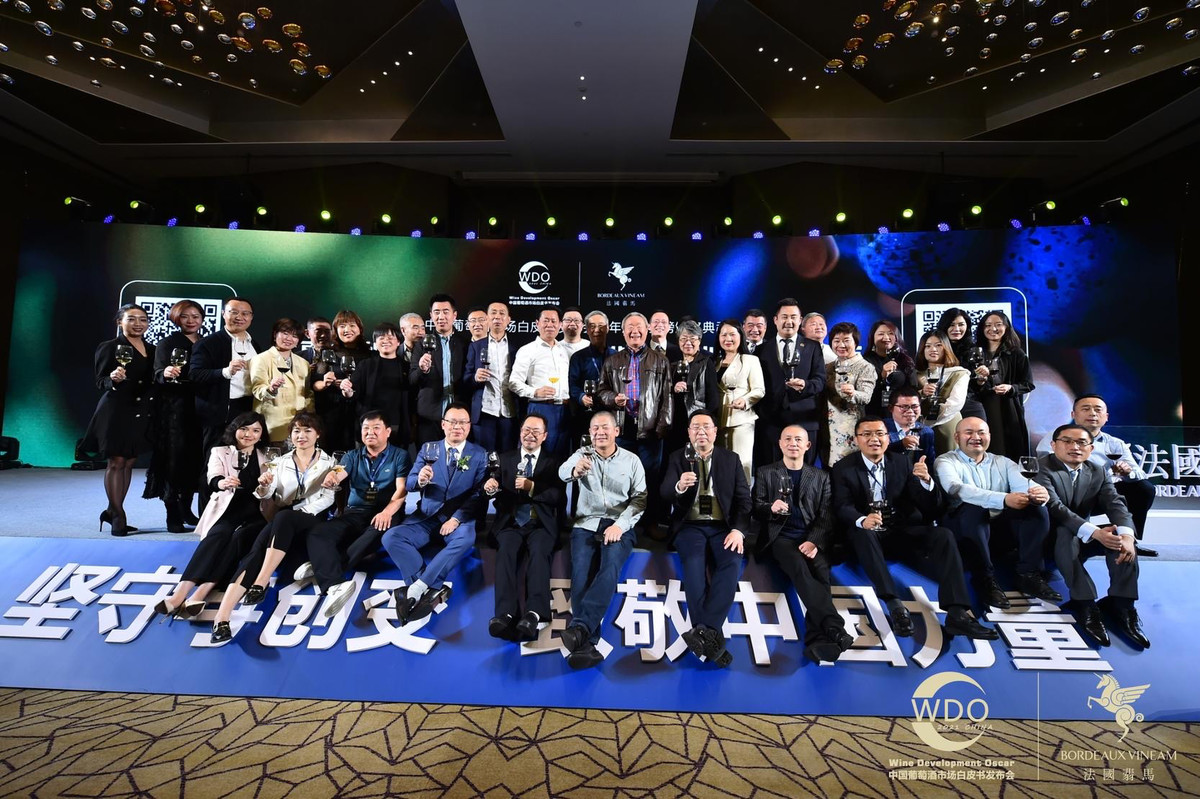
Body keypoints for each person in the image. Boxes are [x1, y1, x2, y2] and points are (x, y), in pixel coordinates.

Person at [831, 417, 998, 640]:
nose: (874, 439)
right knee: (862, 533)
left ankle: (957, 613)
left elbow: (931, 507)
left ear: (888, 438)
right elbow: (842, 506)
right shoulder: (843, 468)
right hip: (866, 534)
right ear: (856, 440)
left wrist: (926, 482)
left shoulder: (902, 463)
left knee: (943, 535)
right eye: (867, 434)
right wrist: (862, 519)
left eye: (880, 434)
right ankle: (894, 604)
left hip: (899, 531)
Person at [210, 412, 338, 644]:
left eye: (307, 431)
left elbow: (328, 499)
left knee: (284, 518)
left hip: (312, 519)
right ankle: (222, 618)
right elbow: (270, 495)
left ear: (318, 434)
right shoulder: (280, 461)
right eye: (296, 431)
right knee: (255, 552)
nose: (301, 436)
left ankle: (261, 582)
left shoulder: (330, 463)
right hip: (281, 519)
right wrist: (264, 486)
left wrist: (300, 512)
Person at [1036, 424, 1148, 649]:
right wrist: (1096, 532)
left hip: (1081, 535)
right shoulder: (1041, 468)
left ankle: (1122, 605)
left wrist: (1126, 535)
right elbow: (1055, 508)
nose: (1075, 447)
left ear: (1091, 448)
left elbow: (1115, 503)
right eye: (1067, 441)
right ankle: (1084, 603)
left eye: (1081, 443)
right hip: (1046, 540)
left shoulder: (1097, 470)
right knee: (1066, 532)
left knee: (1119, 536)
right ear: (1053, 445)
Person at [753, 426, 855, 663]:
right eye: (788, 439)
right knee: (799, 569)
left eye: (798, 439)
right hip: (780, 537)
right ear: (780, 444)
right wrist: (770, 508)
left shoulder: (821, 476)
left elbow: (827, 515)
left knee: (821, 572)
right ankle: (834, 626)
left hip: (810, 537)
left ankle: (818, 640)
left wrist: (814, 541)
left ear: (808, 446)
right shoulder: (766, 472)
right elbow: (756, 507)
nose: (793, 443)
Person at [934, 418, 1059, 611]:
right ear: (957, 437)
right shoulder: (945, 461)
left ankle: (1028, 574)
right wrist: (1004, 499)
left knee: (1035, 507)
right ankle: (985, 579)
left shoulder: (1003, 462)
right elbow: (956, 489)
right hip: (963, 529)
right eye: (969, 432)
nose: (976, 437)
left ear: (989, 437)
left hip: (996, 532)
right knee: (974, 508)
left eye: (981, 432)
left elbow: (1024, 484)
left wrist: (1039, 493)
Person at [154, 412, 270, 620]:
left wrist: (265, 486)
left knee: (237, 539)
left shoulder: (267, 457)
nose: (249, 434)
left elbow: (272, 493)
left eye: (255, 430)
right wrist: (222, 482)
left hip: (256, 513)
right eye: (244, 429)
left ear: (261, 435)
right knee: (217, 536)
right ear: (234, 430)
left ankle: (201, 593)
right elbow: (213, 477)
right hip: (228, 509)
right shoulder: (220, 451)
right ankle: (179, 594)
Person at [296, 410, 411, 618]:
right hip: (355, 511)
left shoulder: (399, 455)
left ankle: (322, 566)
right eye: (366, 428)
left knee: (372, 534)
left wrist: (386, 512)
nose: (370, 432)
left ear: (387, 432)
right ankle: (334, 585)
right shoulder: (352, 456)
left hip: (387, 511)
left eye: (376, 428)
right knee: (318, 532)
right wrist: (332, 477)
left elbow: (401, 490)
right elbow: (339, 471)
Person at [660, 410, 750, 667]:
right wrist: (679, 486)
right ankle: (712, 640)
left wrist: (738, 530)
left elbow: (744, 501)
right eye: (695, 427)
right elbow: (664, 492)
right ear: (688, 432)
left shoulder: (731, 459)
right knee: (694, 571)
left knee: (732, 562)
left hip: (724, 527)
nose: (701, 431)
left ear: (715, 432)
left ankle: (703, 632)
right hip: (690, 526)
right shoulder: (678, 457)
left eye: (706, 427)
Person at [383, 403, 487, 624]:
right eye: (452, 422)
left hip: (458, 519)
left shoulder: (479, 454)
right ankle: (430, 589)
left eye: (463, 422)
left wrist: (457, 518)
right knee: (391, 537)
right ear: (443, 425)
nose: (457, 427)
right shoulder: (429, 449)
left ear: (469, 426)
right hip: (426, 517)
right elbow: (410, 483)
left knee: (466, 538)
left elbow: (479, 494)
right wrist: (420, 480)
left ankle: (416, 588)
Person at [558, 411, 647, 669]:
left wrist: (620, 525)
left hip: (620, 524)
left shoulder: (632, 460)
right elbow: (562, 472)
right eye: (595, 428)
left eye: (605, 427)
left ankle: (580, 628)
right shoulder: (582, 454)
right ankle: (586, 642)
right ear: (590, 432)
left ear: (616, 431)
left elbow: (640, 499)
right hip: (586, 523)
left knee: (609, 568)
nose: (600, 432)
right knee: (580, 575)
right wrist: (576, 470)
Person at [1036, 394, 1158, 558]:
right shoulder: (1056, 437)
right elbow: (1045, 465)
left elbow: (1140, 474)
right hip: (1065, 493)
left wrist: (1127, 472)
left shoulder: (1115, 444)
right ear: (1073, 415)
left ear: (1106, 417)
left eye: (1097, 410)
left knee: (1143, 489)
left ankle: (1128, 539)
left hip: (1099, 495)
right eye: (1086, 409)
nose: (1092, 413)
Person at [484, 413, 565, 642]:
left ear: (545, 436)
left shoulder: (555, 462)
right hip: (511, 523)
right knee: (506, 552)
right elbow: (493, 487)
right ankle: (504, 614)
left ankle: (534, 614)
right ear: (520, 433)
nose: (530, 435)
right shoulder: (504, 458)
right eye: (526, 430)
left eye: (536, 431)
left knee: (539, 554)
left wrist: (532, 487)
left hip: (540, 524)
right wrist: (490, 488)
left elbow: (558, 496)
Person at [596, 312, 672, 530]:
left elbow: (667, 397)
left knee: (650, 479)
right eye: (630, 327)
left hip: (650, 430)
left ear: (647, 330)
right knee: (620, 479)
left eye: (639, 326)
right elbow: (601, 391)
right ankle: (620, 524)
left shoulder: (660, 360)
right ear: (623, 332)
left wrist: (662, 428)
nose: (634, 331)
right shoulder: (612, 360)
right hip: (622, 429)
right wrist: (613, 399)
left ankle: (650, 523)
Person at [85, 304, 155, 537]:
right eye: (131, 319)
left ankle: (111, 509)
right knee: (116, 461)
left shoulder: (153, 349)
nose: (138, 324)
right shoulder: (109, 347)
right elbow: (100, 381)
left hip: (141, 410)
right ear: (119, 322)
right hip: (116, 410)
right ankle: (118, 515)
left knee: (128, 462)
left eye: (143, 319)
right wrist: (113, 378)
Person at [143, 299, 205, 532]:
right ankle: (172, 514)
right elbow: (157, 373)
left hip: (200, 408)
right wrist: (165, 372)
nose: (191, 321)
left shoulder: (206, 342)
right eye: (185, 316)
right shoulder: (167, 343)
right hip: (175, 409)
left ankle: (186, 509)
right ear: (176, 318)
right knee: (174, 461)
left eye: (195, 316)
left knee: (195, 460)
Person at [190, 297, 259, 483]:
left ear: (251, 317)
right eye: (234, 312)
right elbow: (195, 375)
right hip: (219, 412)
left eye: (245, 313)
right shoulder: (208, 343)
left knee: (242, 466)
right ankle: (208, 502)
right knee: (214, 466)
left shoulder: (254, 345)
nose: (239, 317)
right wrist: (225, 372)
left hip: (247, 411)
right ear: (223, 314)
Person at [757, 298, 825, 466]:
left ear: (800, 320)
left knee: (806, 472)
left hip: (805, 418)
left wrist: (805, 386)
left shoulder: (812, 347)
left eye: (793, 317)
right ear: (775, 320)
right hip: (771, 421)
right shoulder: (761, 350)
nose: (789, 321)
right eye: (784, 317)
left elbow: (820, 380)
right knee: (771, 471)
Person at [508, 306, 571, 458]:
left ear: (560, 325)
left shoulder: (564, 350)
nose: (550, 325)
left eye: (554, 321)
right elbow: (514, 382)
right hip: (541, 408)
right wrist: (535, 392)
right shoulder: (528, 350)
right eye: (546, 321)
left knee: (561, 456)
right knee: (537, 455)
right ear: (537, 324)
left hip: (564, 410)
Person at [411, 294, 471, 446]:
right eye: (437, 312)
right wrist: (422, 369)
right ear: (431, 315)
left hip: (458, 415)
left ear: (454, 315)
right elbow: (412, 379)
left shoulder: (465, 343)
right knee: (428, 458)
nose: (441, 316)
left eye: (445, 312)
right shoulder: (422, 344)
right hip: (429, 415)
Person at [972, 311, 1033, 458]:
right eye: (988, 325)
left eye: (998, 325)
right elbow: (970, 385)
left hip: (1007, 407)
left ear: (1006, 327)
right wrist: (980, 381)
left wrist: (1010, 388)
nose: (993, 329)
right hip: (982, 407)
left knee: (1008, 447)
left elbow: (1028, 384)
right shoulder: (975, 353)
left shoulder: (1016, 354)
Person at [340, 323, 411, 448]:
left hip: (396, 425)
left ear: (398, 342)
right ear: (375, 342)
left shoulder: (407, 367)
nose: (385, 341)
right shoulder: (365, 365)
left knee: (396, 459)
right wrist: (346, 391)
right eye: (381, 338)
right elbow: (353, 392)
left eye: (390, 338)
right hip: (369, 425)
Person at [714, 319, 764, 483]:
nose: (728, 339)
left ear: (740, 336)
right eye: (723, 335)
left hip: (741, 421)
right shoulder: (714, 362)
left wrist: (745, 400)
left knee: (742, 465)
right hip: (717, 422)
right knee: (720, 467)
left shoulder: (750, 360)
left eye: (732, 334)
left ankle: (743, 499)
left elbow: (759, 389)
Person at [249, 318, 314, 444]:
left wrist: (310, 417)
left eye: (295, 336)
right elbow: (257, 389)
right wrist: (271, 389)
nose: (289, 339)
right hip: (272, 425)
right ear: (275, 335)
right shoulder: (261, 359)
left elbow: (308, 393)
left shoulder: (303, 363)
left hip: (299, 427)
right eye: (285, 333)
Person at [464, 301, 517, 453]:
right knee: (483, 457)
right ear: (487, 319)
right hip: (484, 412)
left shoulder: (518, 346)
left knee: (508, 456)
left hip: (510, 411)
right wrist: (475, 378)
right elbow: (465, 379)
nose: (497, 317)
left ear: (508, 320)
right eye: (493, 313)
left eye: (502, 313)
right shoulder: (476, 346)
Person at [665, 320, 721, 457]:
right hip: (675, 421)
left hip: (697, 421)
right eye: (683, 339)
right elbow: (665, 392)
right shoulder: (673, 365)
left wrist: (706, 423)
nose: (688, 343)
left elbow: (713, 398)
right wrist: (673, 388)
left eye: (692, 339)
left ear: (699, 341)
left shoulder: (707, 363)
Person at [824, 322, 877, 465]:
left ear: (855, 342)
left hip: (850, 428)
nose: (841, 345)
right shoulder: (827, 367)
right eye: (836, 341)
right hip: (826, 429)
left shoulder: (865, 367)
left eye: (846, 340)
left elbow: (866, 397)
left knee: (848, 469)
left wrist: (853, 393)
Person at [915, 330, 970, 456]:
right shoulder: (915, 374)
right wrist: (922, 393)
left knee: (948, 460)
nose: (933, 349)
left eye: (938, 345)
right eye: (928, 346)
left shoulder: (959, 373)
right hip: (919, 426)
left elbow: (955, 403)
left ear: (946, 347)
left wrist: (929, 422)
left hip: (948, 423)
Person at [935, 308, 987, 421]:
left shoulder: (974, 350)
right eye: (952, 325)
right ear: (944, 326)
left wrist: (981, 381)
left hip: (969, 402)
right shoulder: (935, 348)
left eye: (961, 324)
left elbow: (976, 386)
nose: (957, 329)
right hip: (942, 402)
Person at [568, 310, 611, 439]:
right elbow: (572, 385)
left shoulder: (616, 356)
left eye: (601, 325)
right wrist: (581, 397)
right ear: (586, 330)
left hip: (610, 413)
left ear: (608, 328)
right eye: (592, 326)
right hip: (585, 415)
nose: (597, 330)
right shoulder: (578, 357)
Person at [863, 319, 916, 417]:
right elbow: (864, 393)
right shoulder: (865, 362)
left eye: (890, 333)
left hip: (901, 414)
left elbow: (913, 388)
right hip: (874, 413)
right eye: (881, 334)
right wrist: (882, 377)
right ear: (873, 338)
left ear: (896, 337)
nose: (886, 337)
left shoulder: (905, 360)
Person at [884, 387, 937, 463]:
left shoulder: (926, 432)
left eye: (914, 407)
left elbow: (930, 462)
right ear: (890, 408)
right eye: (904, 407)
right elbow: (875, 455)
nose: (910, 411)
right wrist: (901, 445)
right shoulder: (881, 428)